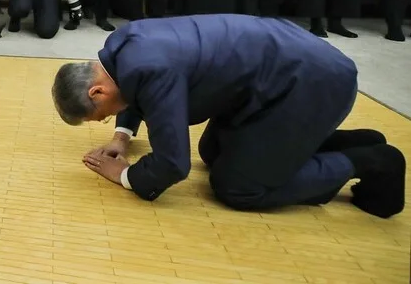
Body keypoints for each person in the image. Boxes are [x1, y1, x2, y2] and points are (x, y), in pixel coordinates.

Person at [51, 15, 406, 218]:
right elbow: (134, 91)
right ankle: (349, 142)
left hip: (311, 82)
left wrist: (125, 175)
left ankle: (371, 160)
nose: (105, 120)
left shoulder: (152, 69)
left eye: (100, 117)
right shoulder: (122, 46)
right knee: (213, 152)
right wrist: (121, 138)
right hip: (277, 76)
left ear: (97, 92)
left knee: (236, 187)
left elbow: (173, 164)